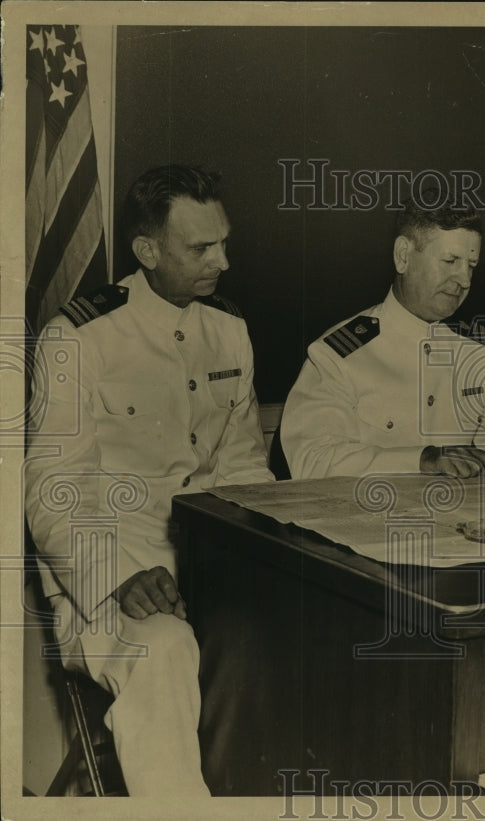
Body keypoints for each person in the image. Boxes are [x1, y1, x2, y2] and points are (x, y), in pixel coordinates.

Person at [24, 165, 274, 796]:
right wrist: (115, 576)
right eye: (202, 248)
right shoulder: (78, 337)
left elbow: (243, 467)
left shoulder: (229, 330)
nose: (223, 260)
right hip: (110, 576)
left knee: (310, 623)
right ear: (147, 251)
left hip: (212, 564)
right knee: (161, 647)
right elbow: (54, 486)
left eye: (224, 242)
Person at [281, 192, 485, 479]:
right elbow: (312, 461)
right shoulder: (339, 354)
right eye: (450, 261)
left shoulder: (481, 358)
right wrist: (420, 460)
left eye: (471, 266)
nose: (464, 279)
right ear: (403, 256)